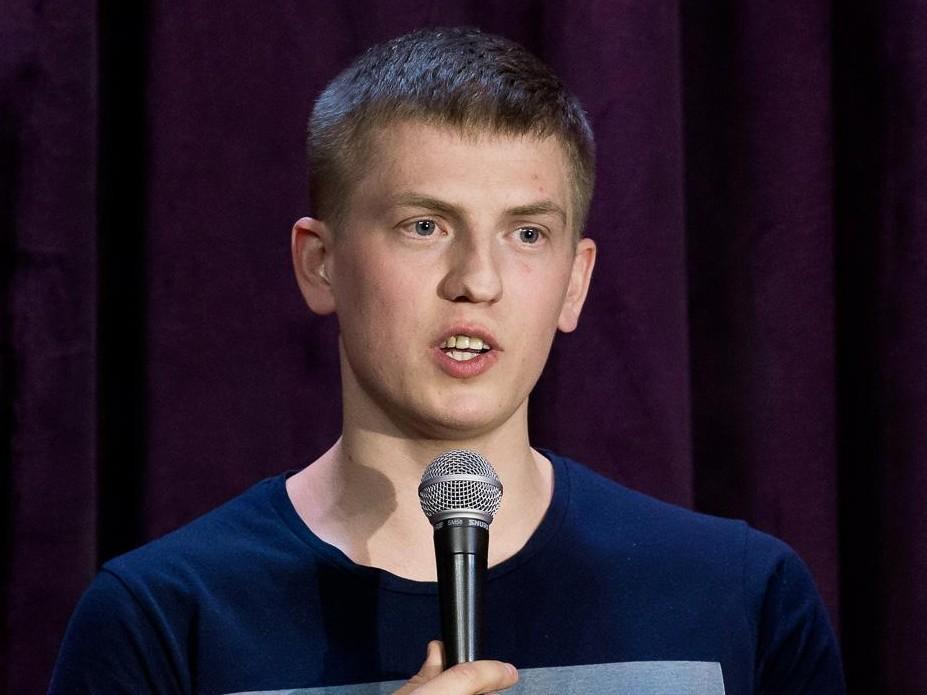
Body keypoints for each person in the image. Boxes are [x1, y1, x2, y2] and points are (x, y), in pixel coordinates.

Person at [49, 27, 845, 694]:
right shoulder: (161, 619)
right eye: (424, 226)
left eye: (526, 233)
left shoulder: (741, 596)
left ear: (574, 282)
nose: (477, 280)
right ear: (320, 263)